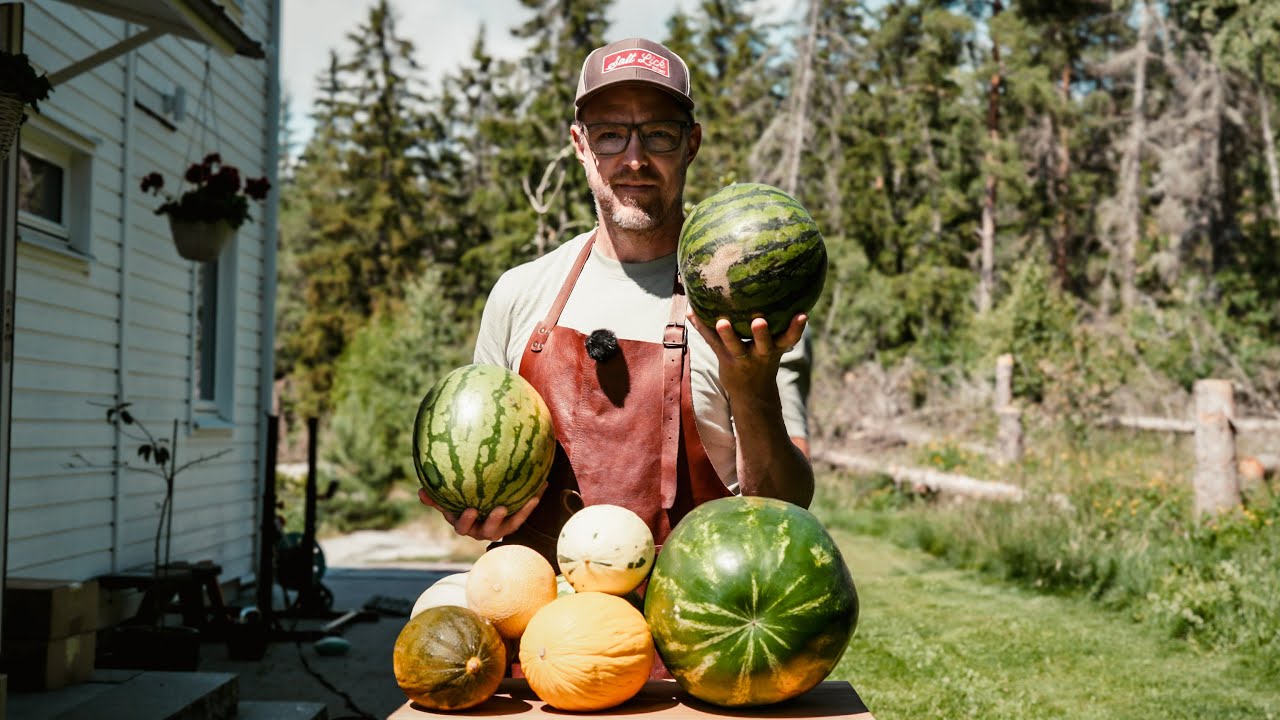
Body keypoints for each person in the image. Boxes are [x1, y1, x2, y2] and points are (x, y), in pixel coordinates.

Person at [419, 37, 814, 562]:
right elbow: (481, 457)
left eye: (658, 134)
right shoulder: (519, 293)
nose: (634, 159)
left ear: (691, 144)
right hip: (540, 607)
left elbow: (785, 511)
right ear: (580, 145)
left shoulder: (744, 303)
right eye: (610, 135)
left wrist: (752, 389)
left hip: (691, 604)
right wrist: (476, 503)